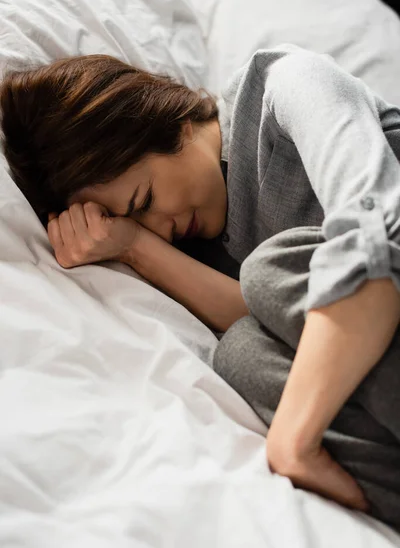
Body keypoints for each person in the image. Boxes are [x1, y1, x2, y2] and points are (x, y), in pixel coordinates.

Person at [2, 45, 400, 527]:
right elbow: (281, 319)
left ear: (173, 123)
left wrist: (292, 441)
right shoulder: (195, 245)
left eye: (145, 198)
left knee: (269, 273)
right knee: (241, 353)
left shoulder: (289, 86)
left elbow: (378, 235)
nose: (159, 225)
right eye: (135, 220)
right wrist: (133, 247)